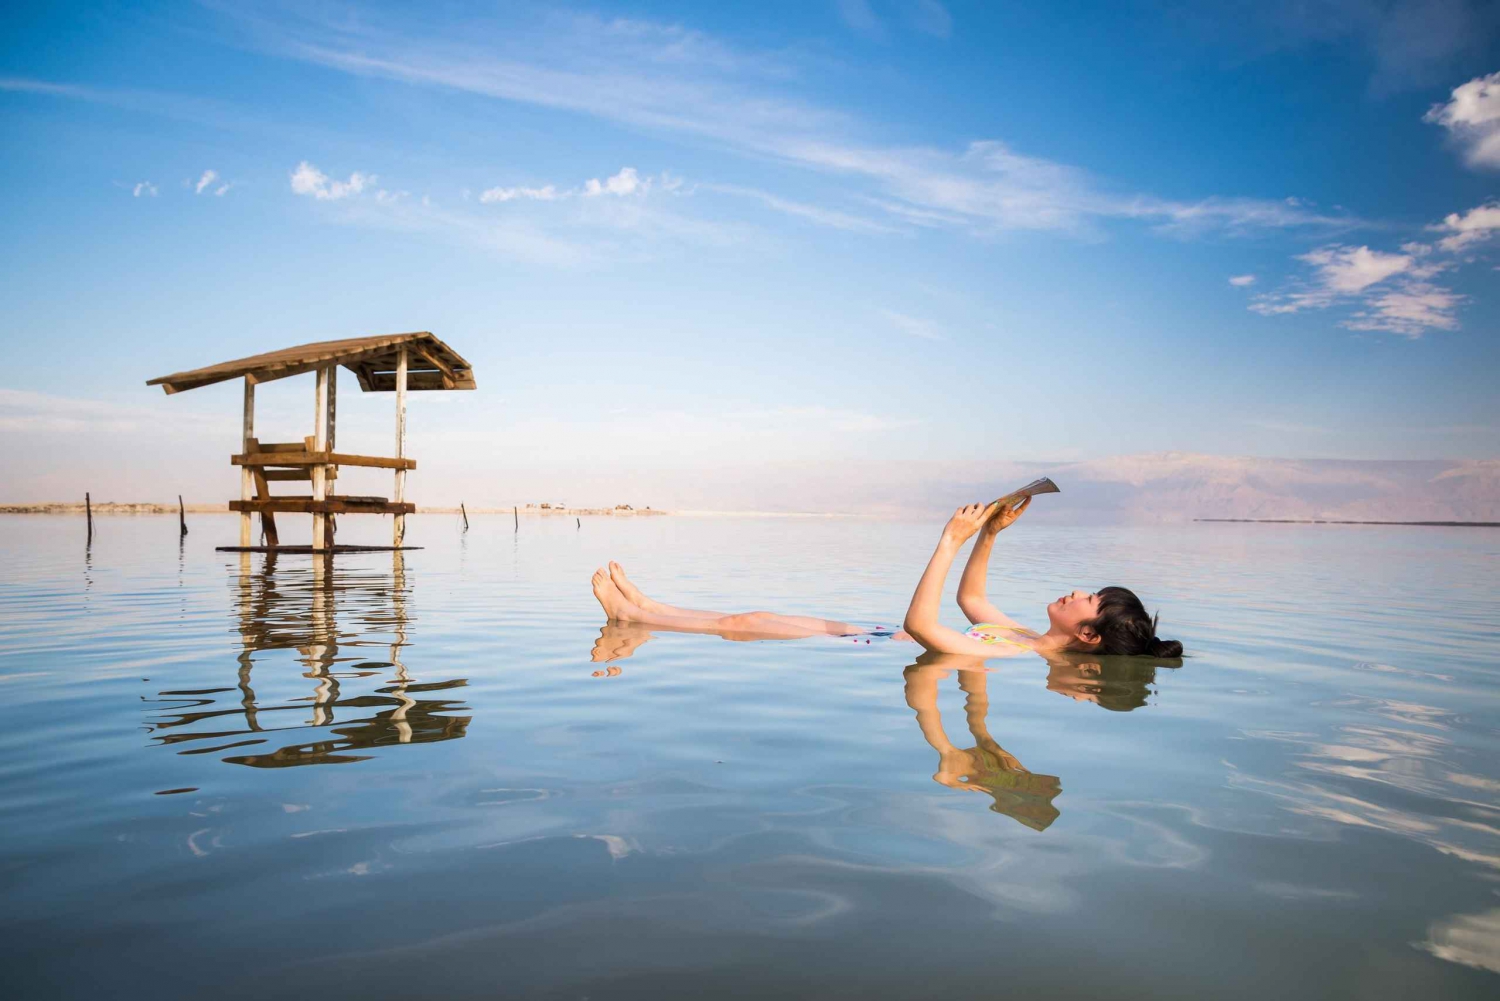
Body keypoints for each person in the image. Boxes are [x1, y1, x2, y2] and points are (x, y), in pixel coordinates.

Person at [589, 497, 1183, 660]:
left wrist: (949, 540)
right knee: (757, 612)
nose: (1078, 592)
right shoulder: (1025, 637)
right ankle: (649, 606)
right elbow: (971, 599)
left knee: (746, 625)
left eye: (1090, 600)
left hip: (863, 648)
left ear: (1088, 635)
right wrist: (991, 533)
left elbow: (922, 624)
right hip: (871, 633)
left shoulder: (1017, 657)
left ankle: (634, 618)